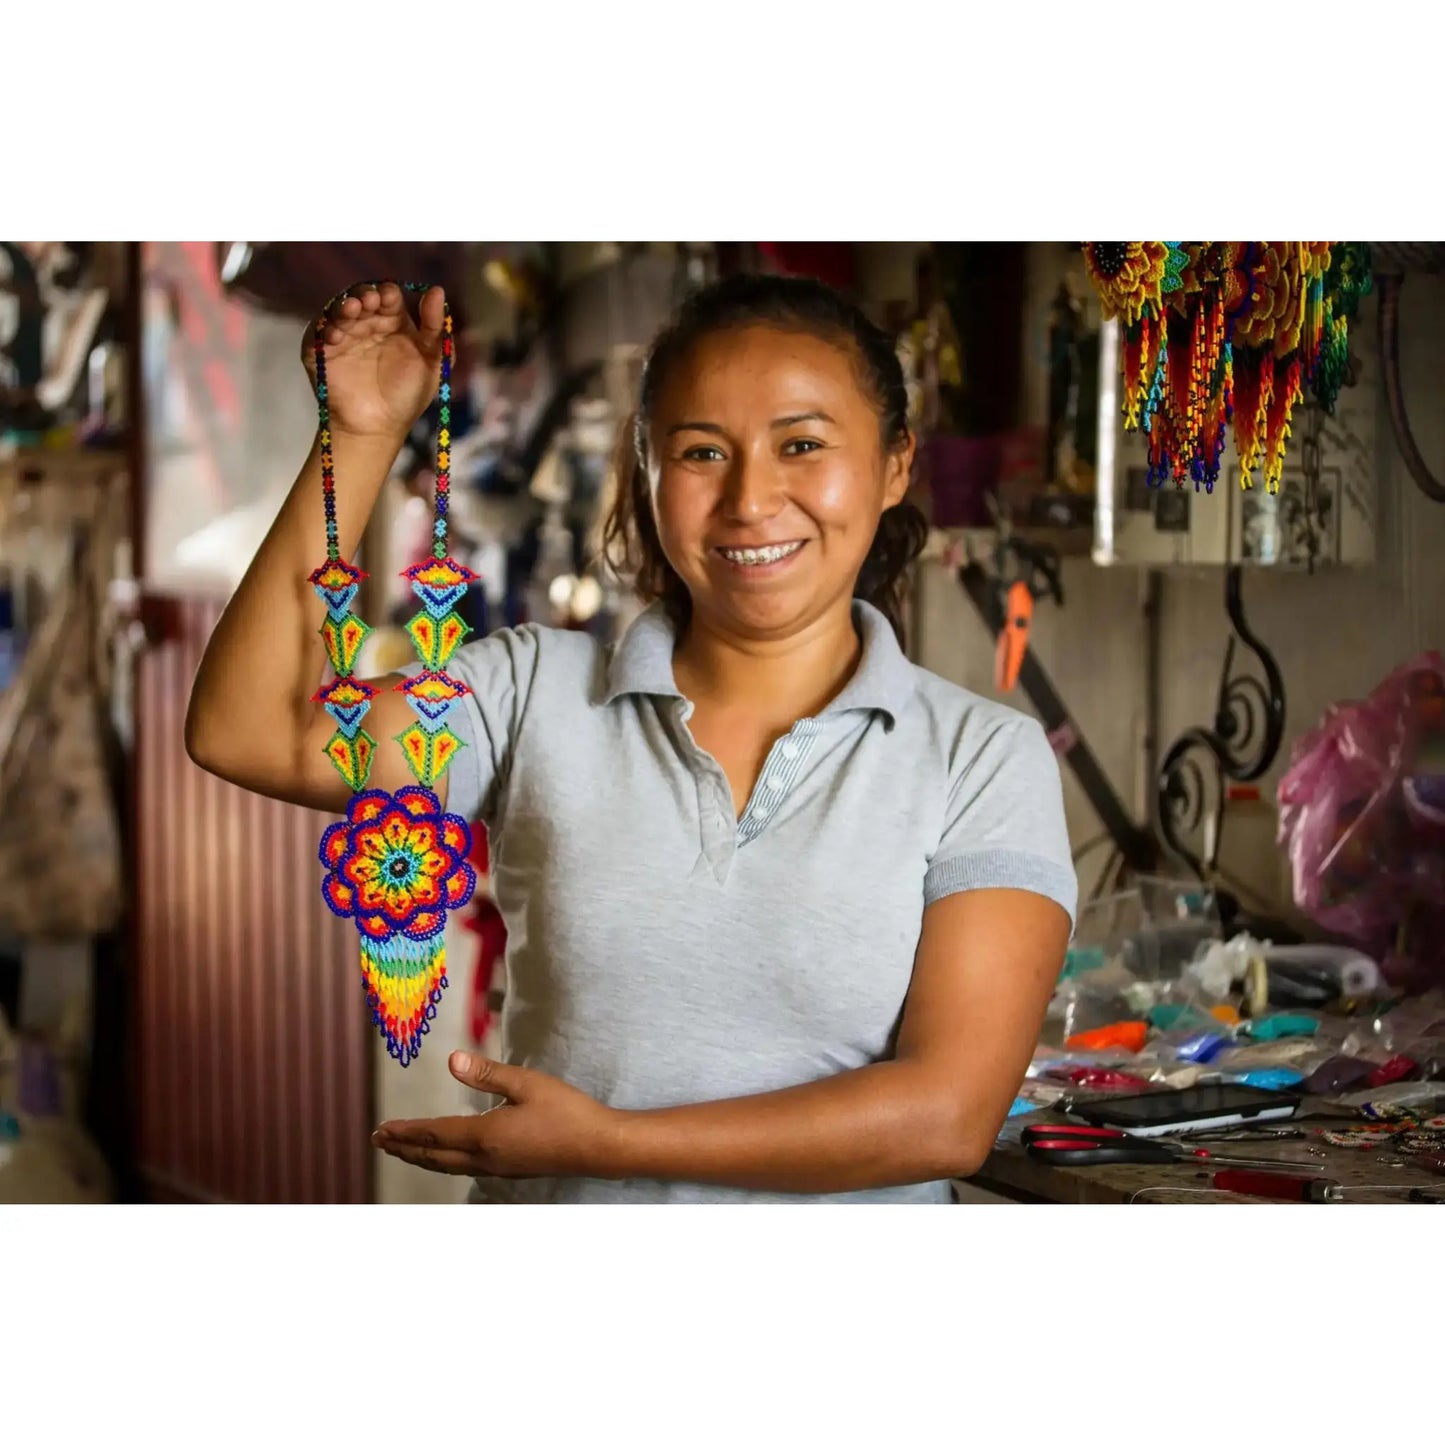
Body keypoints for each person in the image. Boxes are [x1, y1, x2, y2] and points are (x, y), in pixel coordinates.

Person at [185, 274, 1077, 1204]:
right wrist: (361, 433)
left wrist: (609, 1139)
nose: (750, 498)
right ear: (645, 473)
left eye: (802, 444)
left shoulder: (981, 758)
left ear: (896, 464)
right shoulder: (529, 692)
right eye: (700, 452)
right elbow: (247, 732)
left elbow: (946, 1116)